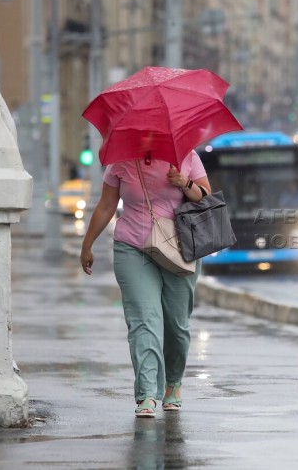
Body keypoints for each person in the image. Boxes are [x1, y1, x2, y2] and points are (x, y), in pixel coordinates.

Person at [80, 151, 210, 418]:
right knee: (144, 321)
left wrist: (184, 183)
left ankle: (173, 383)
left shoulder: (187, 156)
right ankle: (147, 394)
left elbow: (207, 198)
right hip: (132, 248)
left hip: (180, 247)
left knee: (176, 325)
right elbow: (106, 205)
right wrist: (87, 243)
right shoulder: (120, 161)